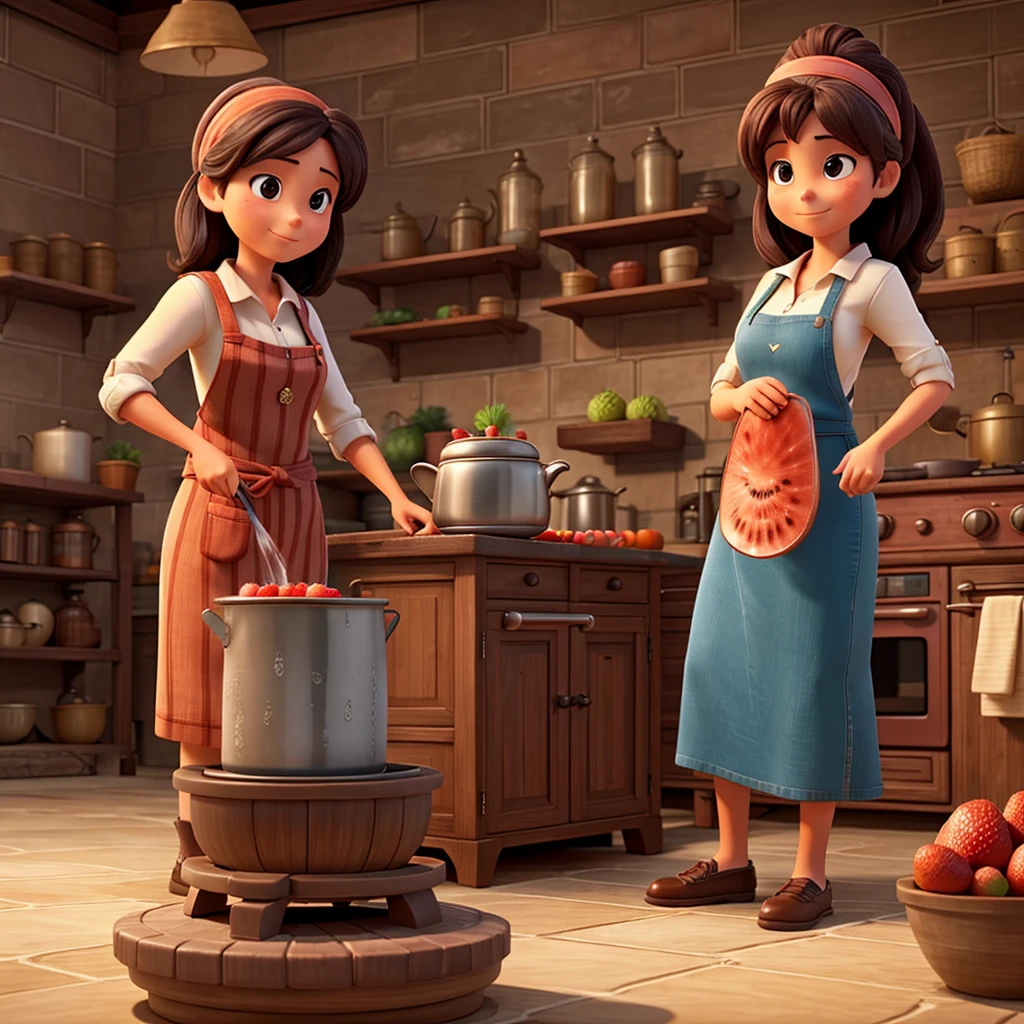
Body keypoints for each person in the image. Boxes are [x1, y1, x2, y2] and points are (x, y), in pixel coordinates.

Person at [645, 24, 954, 930]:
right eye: (782, 169)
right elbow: (716, 390)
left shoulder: (871, 284)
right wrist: (740, 399)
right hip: (746, 506)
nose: (803, 188)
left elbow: (935, 377)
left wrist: (877, 445)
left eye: (829, 164)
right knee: (722, 668)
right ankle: (734, 859)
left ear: (883, 177)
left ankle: (811, 872)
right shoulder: (768, 287)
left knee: (813, 677)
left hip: (830, 511)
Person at [98, 78, 436, 894]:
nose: (296, 215)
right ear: (215, 189)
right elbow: (121, 382)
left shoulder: (304, 313)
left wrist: (394, 491)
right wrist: (198, 448)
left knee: (283, 687)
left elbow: (343, 421)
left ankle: (259, 838)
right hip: (217, 509)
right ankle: (193, 849)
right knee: (208, 687)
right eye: (272, 187)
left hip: (293, 511)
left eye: (318, 197)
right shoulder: (202, 296)